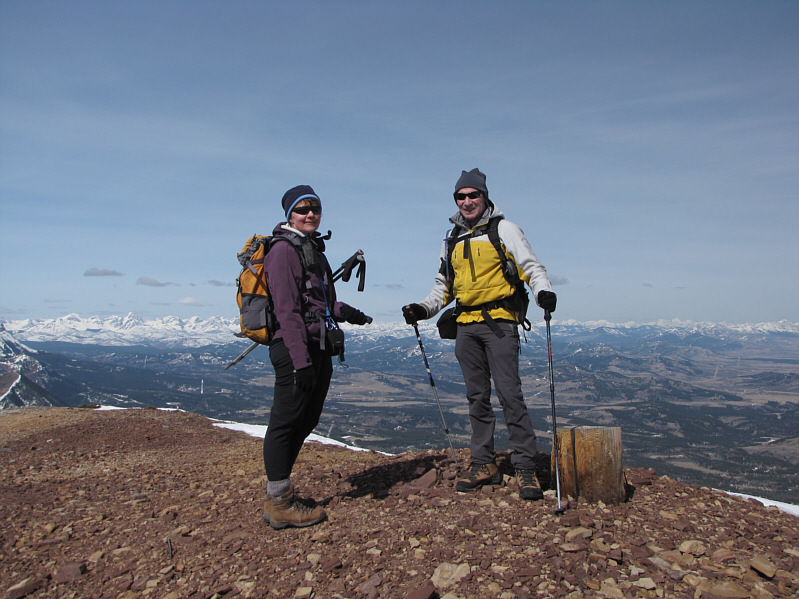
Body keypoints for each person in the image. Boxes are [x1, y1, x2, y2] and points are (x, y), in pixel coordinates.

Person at [402, 168, 557, 501]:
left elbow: (532, 266)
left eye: (474, 195)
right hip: (466, 326)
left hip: (500, 321)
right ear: (456, 200)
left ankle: (525, 467)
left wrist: (543, 291)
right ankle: (484, 462)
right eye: (461, 196)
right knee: (476, 398)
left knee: (509, 394)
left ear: (485, 196)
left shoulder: (504, 229)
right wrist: (422, 309)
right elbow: (443, 287)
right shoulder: (452, 237)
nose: (467, 201)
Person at [262, 184, 371, 529]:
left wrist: (345, 311)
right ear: (289, 215)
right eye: (302, 208)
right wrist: (300, 361)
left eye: (315, 208)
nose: (310, 213)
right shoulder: (282, 251)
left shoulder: (312, 251)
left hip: (317, 345)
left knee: (306, 421)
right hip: (296, 348)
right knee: (286, 421)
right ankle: (278, 502)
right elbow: (287, 311)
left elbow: (317, 302)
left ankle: (282, 493)